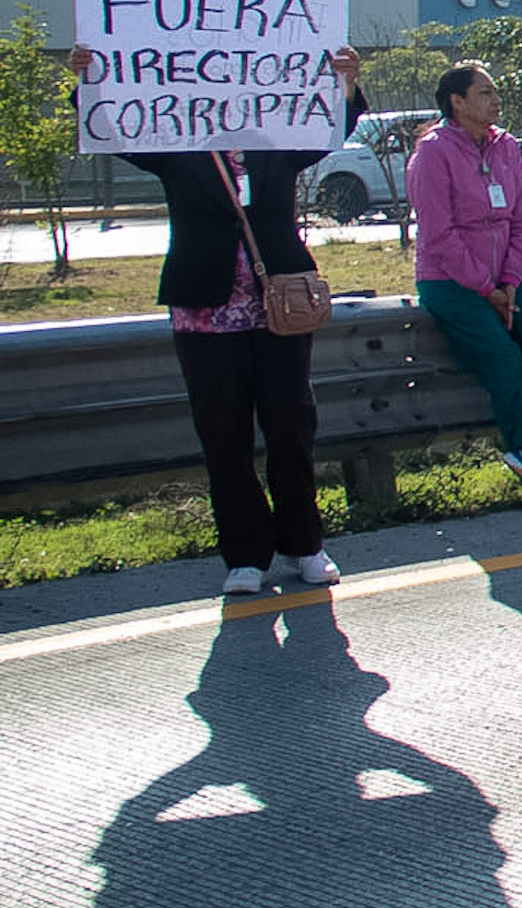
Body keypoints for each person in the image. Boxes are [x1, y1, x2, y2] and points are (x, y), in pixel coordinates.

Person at [81, 44, 366, 595]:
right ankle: (245, 556)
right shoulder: (175, 146)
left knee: (291, 427)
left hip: (278, 310)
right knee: (224, 435)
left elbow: (329, 129)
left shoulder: (275, 143)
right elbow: (113, 132)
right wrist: (89, 79)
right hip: (204, 313)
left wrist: (346, 84)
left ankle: (305, 545)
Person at [410, 62, 522, 513]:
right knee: (506, 359)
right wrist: (483, 287)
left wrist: (509, 281)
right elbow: (438, 234)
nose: (495, 100)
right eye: (485, 92)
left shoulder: (506, 146)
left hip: (506, 280)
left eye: (495, 92)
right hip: (452, 282)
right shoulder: (432, 153)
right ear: (457, 102)